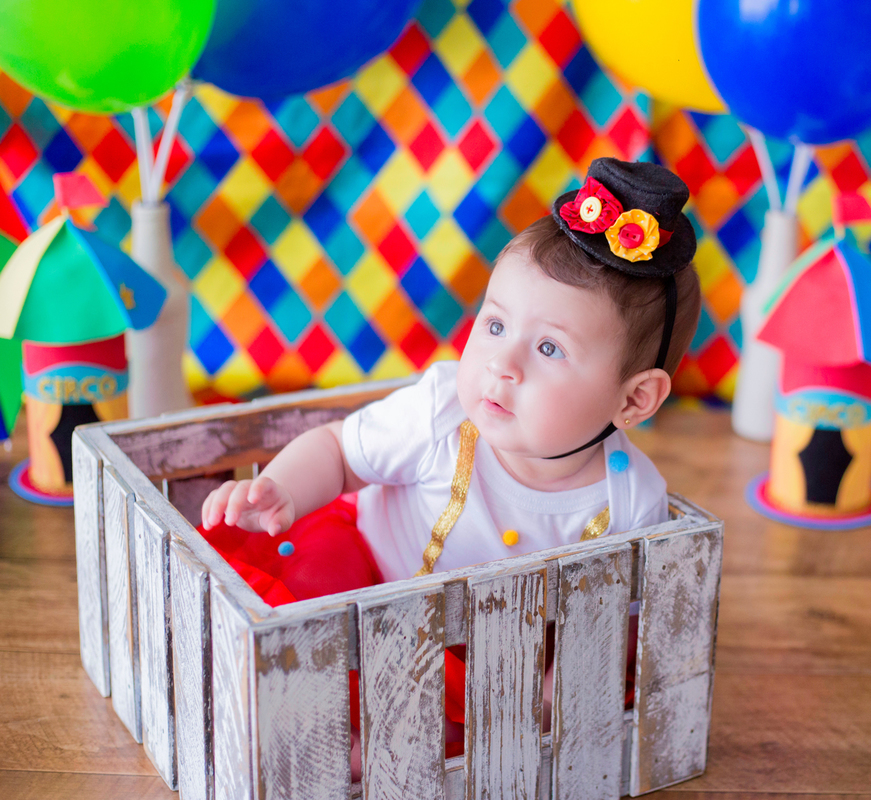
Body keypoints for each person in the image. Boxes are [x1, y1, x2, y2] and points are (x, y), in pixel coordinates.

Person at [199, 157, 702, 775]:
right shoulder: (439, 413)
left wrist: (555, 688)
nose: (502, 363)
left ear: (633, 400)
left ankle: (385, 749)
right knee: (311, 630)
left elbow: (610, 620)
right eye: (494, 324)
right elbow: (338, 450)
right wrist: (282, 488)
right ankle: (311, 723)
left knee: (484, 722)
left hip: (484, 659)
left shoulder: (631, 500)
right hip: (364, 575)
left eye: (550, 348)